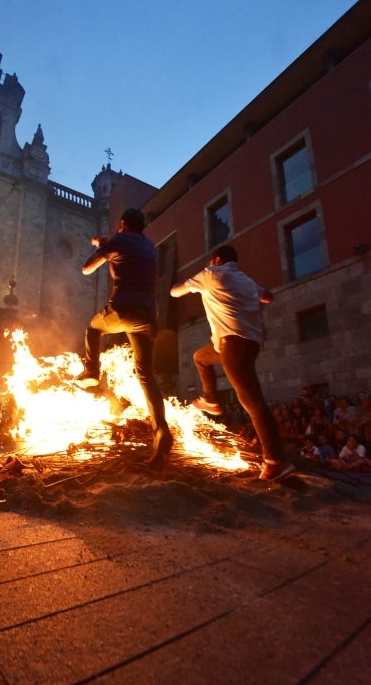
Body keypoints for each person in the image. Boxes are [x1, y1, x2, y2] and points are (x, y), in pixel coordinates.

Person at [170, 243, 294, 482]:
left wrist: (198, 280)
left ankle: (276, 461)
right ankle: (211, 399)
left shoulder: (211, 274)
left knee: (252, 401)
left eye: (211, 261)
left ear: (216, 259)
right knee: (200, 357)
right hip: (245, 344)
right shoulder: (246, 281)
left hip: (233, 344)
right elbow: (267, 296)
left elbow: (175, 292)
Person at [77, 207, 173, 467]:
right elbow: (126, 246)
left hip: (123, 308)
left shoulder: (118, 240)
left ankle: (91, 372)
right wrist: (106, 243)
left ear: (122, 224)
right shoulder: (149, 247)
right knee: (146, 375)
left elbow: (86, 269)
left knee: (94, 329)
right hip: (149, 316)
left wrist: (102, 249)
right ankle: (161, 429)